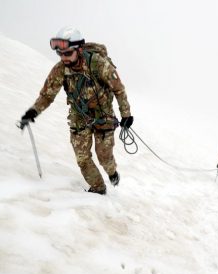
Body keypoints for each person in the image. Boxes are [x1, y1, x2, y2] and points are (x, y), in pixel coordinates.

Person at [19, 27, 133, 195]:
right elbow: (47, 95)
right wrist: (33, 112)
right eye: (60, 54)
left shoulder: (99, 64)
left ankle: (112, 173)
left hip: (104, 117)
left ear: (79, 49)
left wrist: (126, 115)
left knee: (104, 156)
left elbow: (119, 90)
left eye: (67, 53)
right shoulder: (60, 70)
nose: (63, 58)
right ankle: (98, 189)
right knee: (82, 158)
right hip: (79, 117)